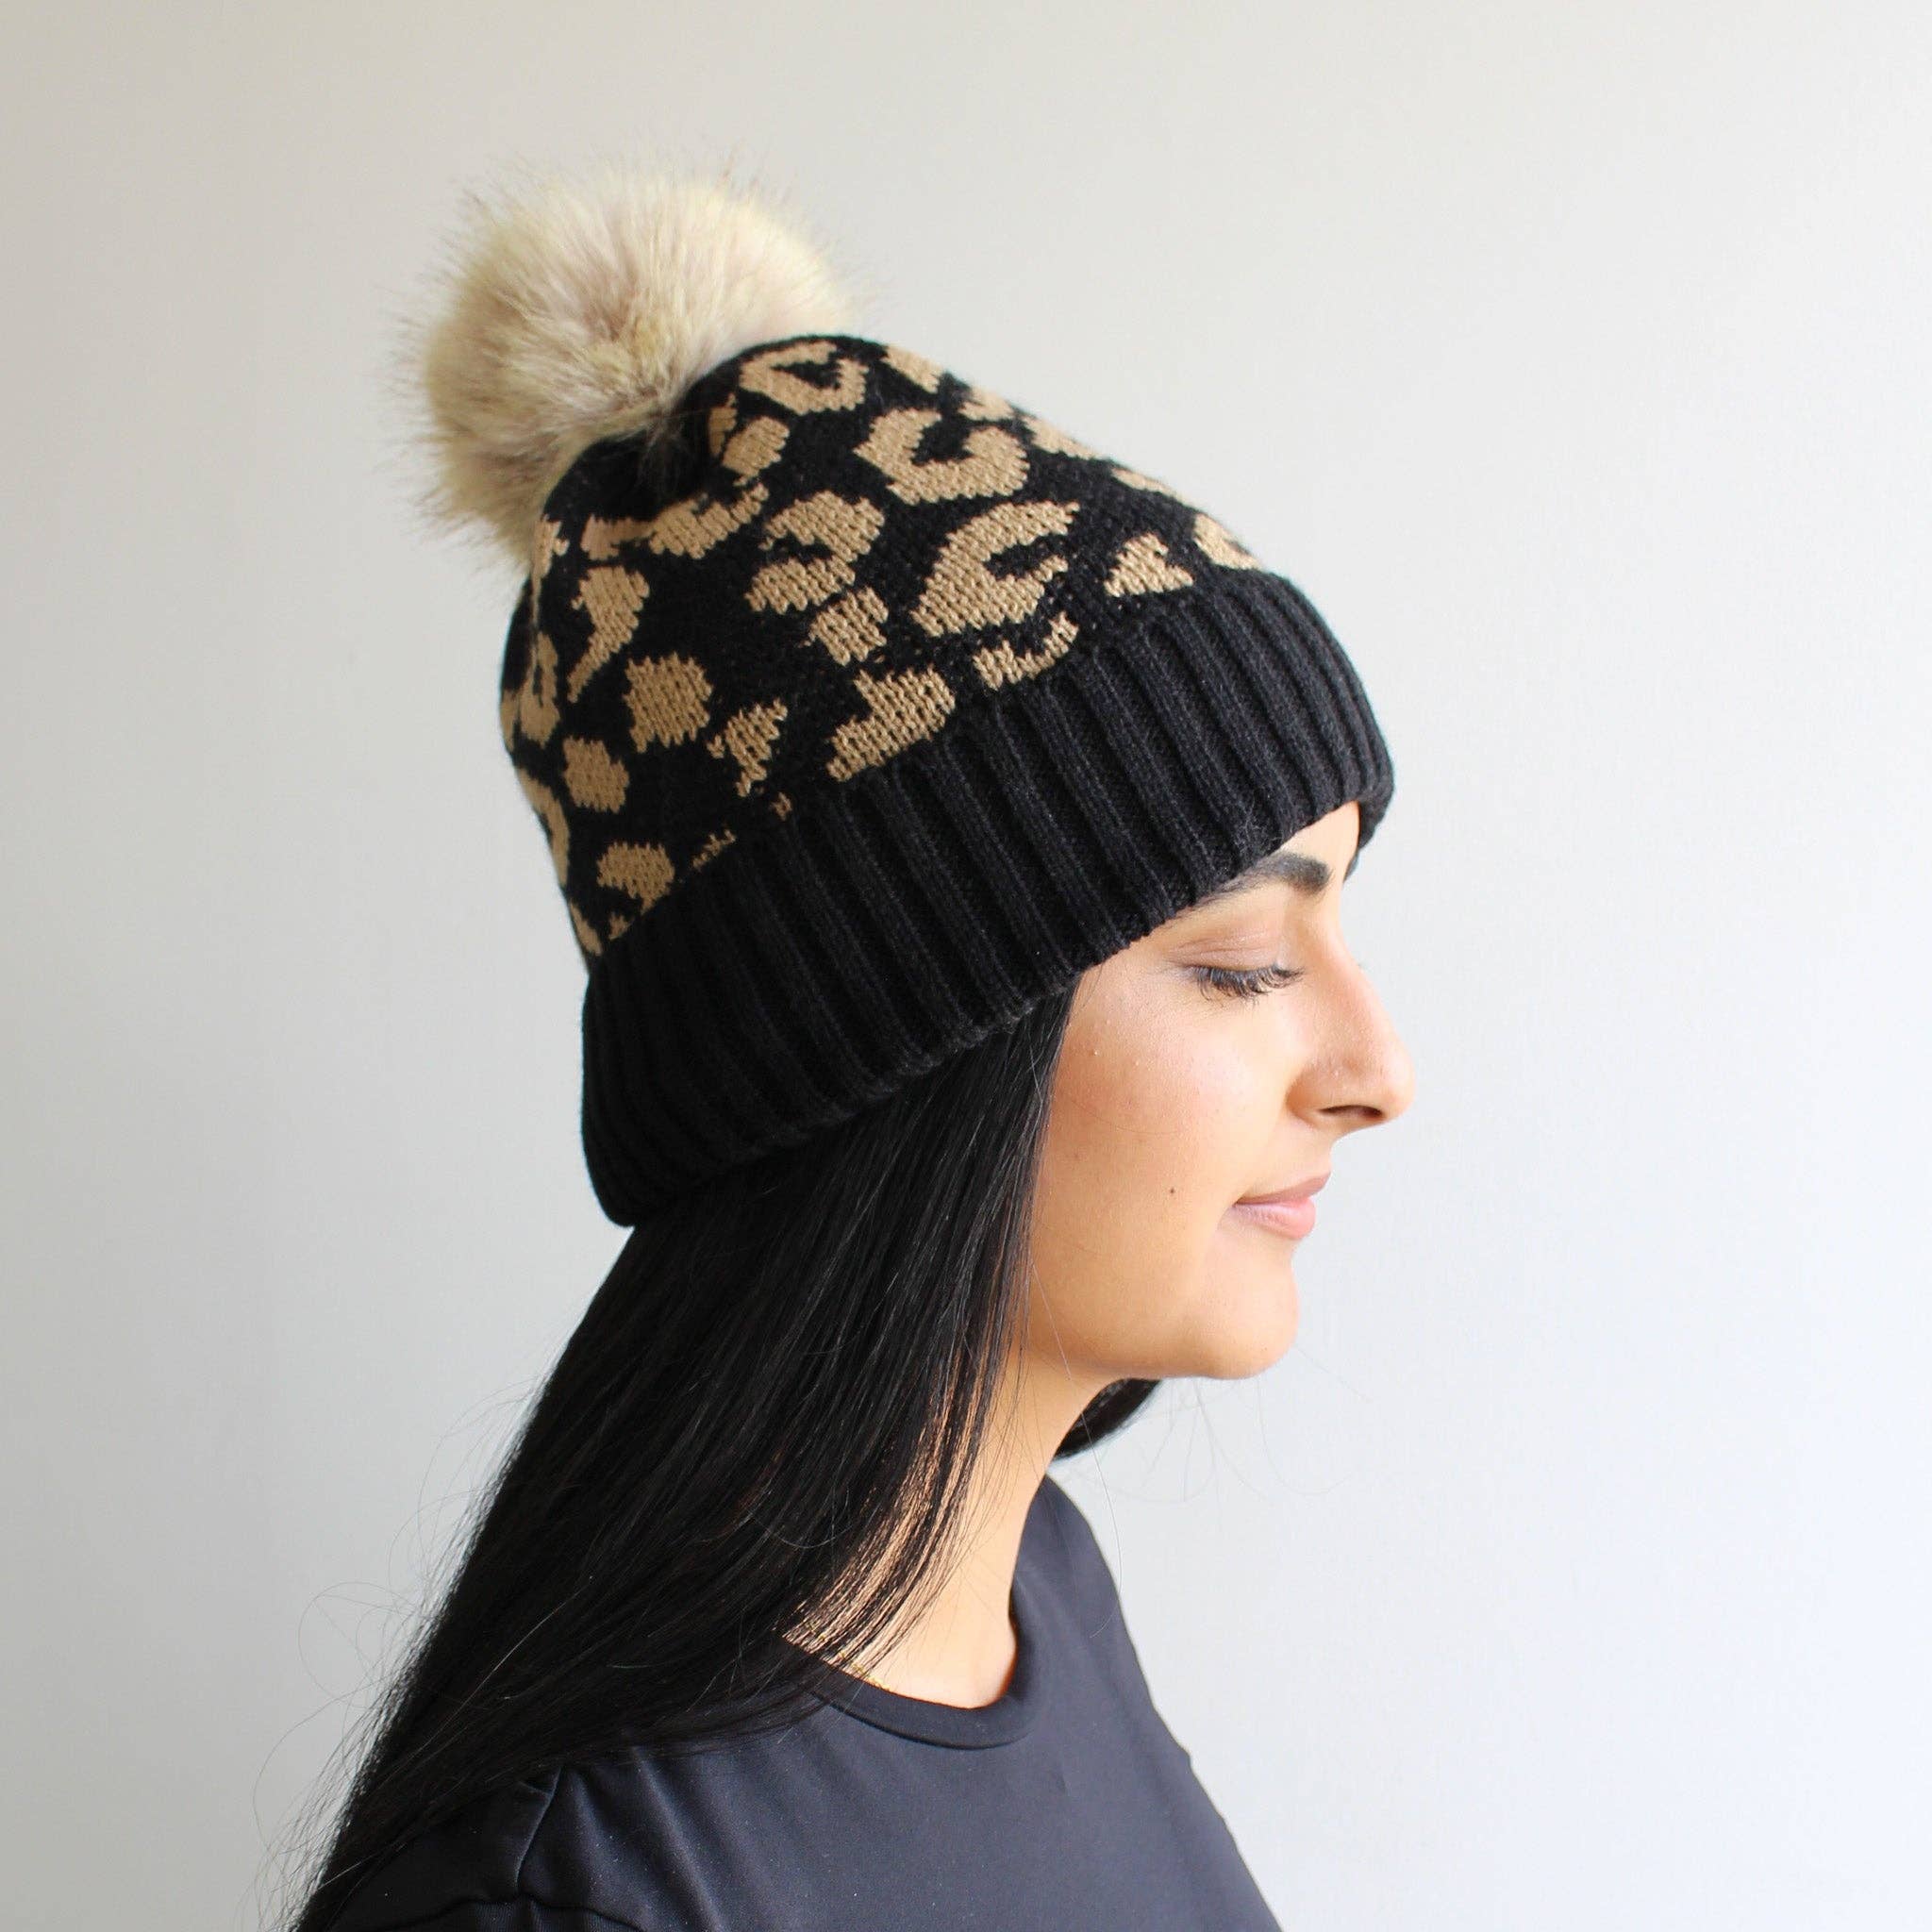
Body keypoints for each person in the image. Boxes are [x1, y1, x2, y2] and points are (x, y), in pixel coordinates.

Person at [275, 157, 1415, 1932]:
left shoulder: (1034, 1595)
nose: (1376, 1071)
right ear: (895, 1051)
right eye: (1244, 961)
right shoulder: (585, 1896)